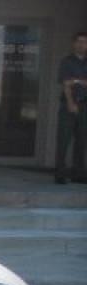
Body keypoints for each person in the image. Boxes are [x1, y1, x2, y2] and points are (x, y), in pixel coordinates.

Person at [55, 31, 87, 184]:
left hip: (85, 105)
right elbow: (65, 83)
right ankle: (60, 173)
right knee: (64, 139)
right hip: (69, 104)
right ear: (74, 43)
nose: (82, 45)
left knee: (81, 140)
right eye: (79, 41)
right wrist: (70, 103)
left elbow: (74, 82)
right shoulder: (67, 61)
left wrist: (75, 80)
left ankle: (78, 174)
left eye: (85, 42)